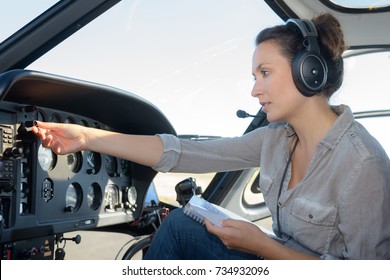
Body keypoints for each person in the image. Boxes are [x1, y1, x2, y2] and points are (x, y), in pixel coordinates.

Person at [32, 13, 390, 260]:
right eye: (254, 76)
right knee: (179, 224)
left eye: (264, 73)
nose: (254, 90)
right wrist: (86, 137)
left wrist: (263, 246)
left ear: (308, 72)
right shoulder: (276, 139)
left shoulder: (364, 165)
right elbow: (184, 153)